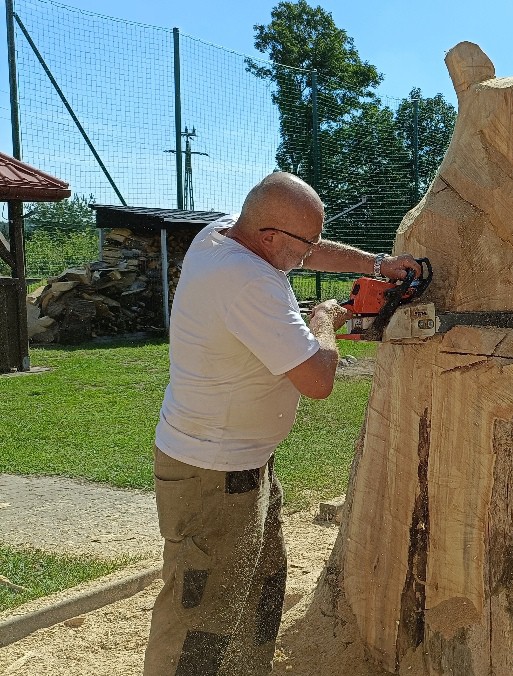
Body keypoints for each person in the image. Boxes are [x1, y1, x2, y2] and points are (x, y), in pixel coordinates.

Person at [143, 172, 420, 675]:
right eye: (304, 242)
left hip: (245, 462)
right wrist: (325, 321)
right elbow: (317, 379)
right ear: (270, 237)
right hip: (212, 471)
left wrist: (377, 266)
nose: (310, 252)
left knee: (262, 586)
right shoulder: (248, 282)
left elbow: (308, 251)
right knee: (200, 612)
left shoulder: (228, 232)